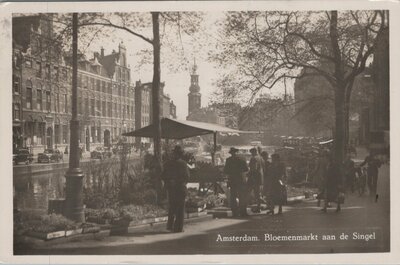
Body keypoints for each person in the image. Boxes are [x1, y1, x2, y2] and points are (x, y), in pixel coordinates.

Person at [161, 145, 189, 232]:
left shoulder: (168, 163)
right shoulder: (183, 164)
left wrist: (170, 181)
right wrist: (179, 182)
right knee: (180, 209)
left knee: (172, 207)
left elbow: (162, 176)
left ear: (174, 154)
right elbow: (187, 177)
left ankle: (170, 226)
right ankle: (178, 227)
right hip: (180, 189)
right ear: (180, 154)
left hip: (171, 189)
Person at [224, 147, 249, 217]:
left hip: (232, 180)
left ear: (231, 153)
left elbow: (225, 171)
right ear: (236, 152)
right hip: (240, 180)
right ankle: (243, 211)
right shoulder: (242, 159)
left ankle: (235, 212)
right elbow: (246, 169)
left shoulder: (228, 160)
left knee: (233, 196)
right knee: (242, 196)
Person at [248, 148, 264, 213]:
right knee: (258, 193)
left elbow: (253, 169)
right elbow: (263, 167)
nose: (251, 154)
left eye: (251, 153)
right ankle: (259, 206)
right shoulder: (261, 158)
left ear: (253, 152)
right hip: (260, 177)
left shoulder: (253, 158)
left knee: (247, 191)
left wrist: (249, 174)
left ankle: (249, 206)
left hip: (254, 178)